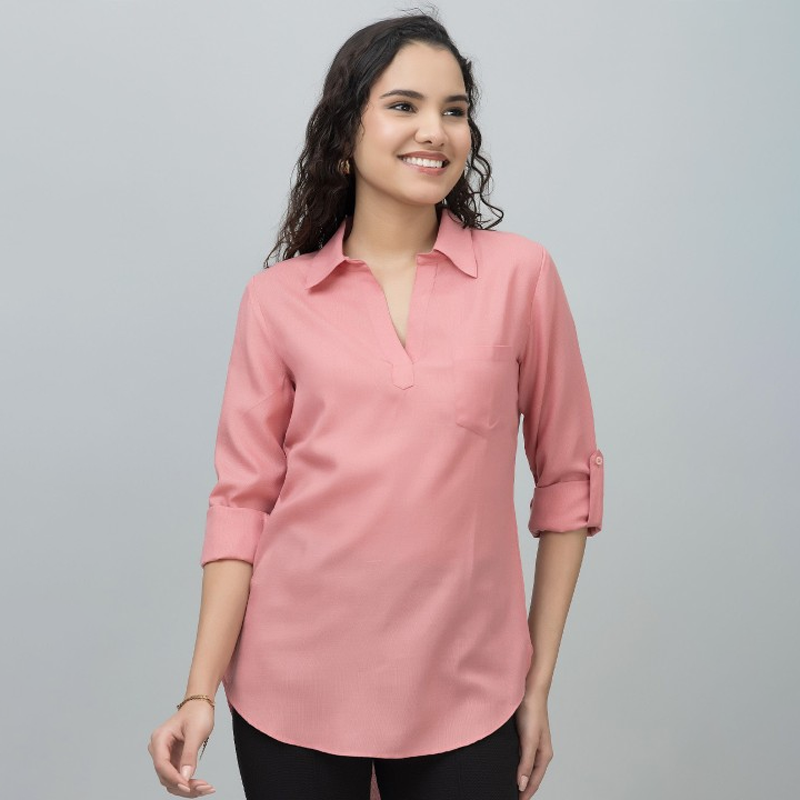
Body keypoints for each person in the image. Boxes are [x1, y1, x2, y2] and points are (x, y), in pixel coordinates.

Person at [148, 8, 604, 800]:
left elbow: (568, 484)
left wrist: (534, 688)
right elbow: (242, 503)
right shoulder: (277, 301)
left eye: (454, 110)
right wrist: (198, 694)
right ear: (344, 133)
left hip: (470, 693)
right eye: (404, 105)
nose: (435, 130)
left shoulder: (521, 277)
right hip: (290, 688)